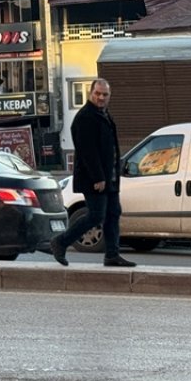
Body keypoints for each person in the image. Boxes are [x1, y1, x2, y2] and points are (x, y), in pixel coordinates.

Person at [50, 78, 136, 267]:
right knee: (96, 215)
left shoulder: (104, 114)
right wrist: (98, 177)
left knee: (114, 213)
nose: (101, 97)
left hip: (110, 176)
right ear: (91, 93)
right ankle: (61, 242)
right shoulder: (85, 117)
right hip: (95, 178)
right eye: (98, 94)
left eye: (105, 95)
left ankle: (112, 255)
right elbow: (87, 150)